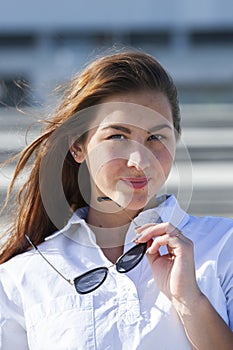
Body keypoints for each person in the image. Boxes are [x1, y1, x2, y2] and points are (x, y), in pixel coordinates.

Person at [0, 50, 232, 350]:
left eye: (156, 138)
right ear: (77, 147)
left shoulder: (223, 246)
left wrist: (190, 301)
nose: (139, 161)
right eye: (118, 137)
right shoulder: (22, 277)